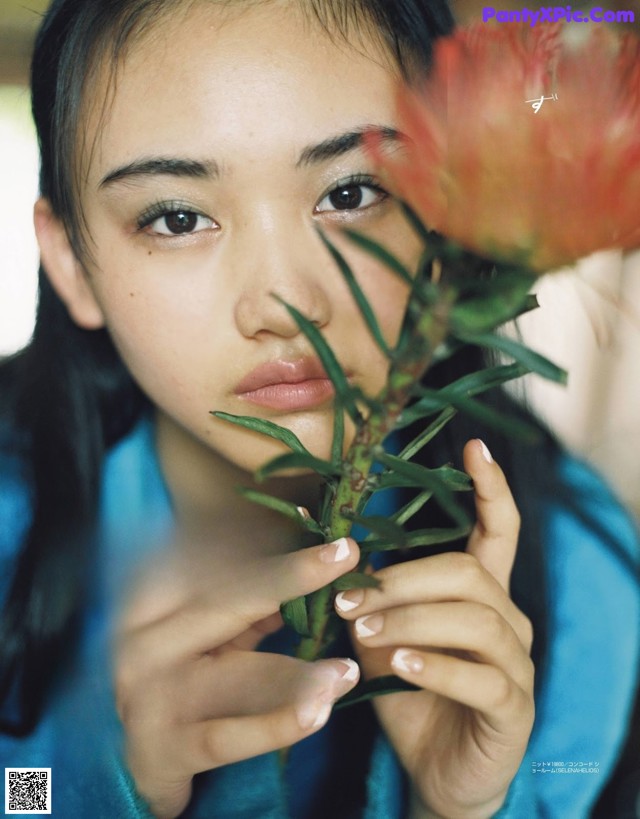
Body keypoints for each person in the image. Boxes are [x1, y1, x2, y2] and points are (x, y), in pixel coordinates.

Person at [0, 0, 638, 817]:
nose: (283, 303)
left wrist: (460, 808)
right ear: (71, 261)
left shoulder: (577, 579)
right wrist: (94, 787)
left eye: (351, 192)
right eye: (177, 217)